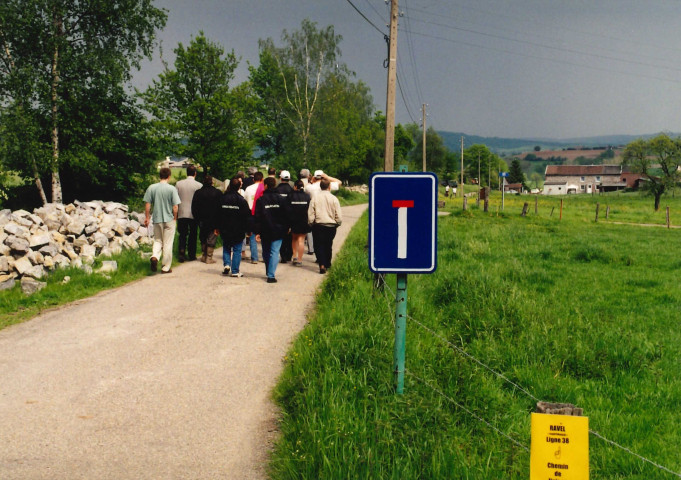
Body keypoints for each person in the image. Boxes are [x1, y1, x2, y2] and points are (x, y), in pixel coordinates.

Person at [143, 167, 181, 274]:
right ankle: (165, 267)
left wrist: (147, 217)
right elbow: (175, 207)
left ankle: (155, 256)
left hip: (157, 218)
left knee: (158, 240)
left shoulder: (152, 188)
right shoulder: (172, 189)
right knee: (168, 243)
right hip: (169, 219)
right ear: (169, 176)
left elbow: (147, 204)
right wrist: (175, 217)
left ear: (160, 176)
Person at [254, 177, 289, 283]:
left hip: (265, 229)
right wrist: (286, 228)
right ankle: (271, 275)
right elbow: (286, 215)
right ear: (275, 185)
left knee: (266, 251)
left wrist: (257, 231)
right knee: (275, 251)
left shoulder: (261, 200)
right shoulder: (281, 199)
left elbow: (257, 217)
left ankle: (268, 271)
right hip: (278, 229)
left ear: (265, 185)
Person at [308, 179, 342, 274]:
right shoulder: (334, 199)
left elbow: (311, 213)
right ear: (329, 187)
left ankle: (321, 264)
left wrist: (311, 223)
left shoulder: (315, 198)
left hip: (318, 225)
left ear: (320, 187)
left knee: (319, 245)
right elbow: (338, 214)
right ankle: (328, 263)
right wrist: (337, 223)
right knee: (328, 244)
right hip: (331, 225)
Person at [220, 177, 251, 277]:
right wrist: (248, 230)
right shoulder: (241, 201)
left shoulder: (222, 198)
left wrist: (217, 227)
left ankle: (227, 264)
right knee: (237, 250)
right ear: (239, 187)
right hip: (238, 229)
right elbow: (247, 216)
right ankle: (235, 271)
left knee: (226, 247)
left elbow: (217, 214)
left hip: (225, 228)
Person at [191, 175, 222, 264]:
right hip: (214, 219)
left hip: (202, 220)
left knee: (203, 237)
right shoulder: (218, 193)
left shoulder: (198, 193)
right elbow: (220, 207)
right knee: (212, 238)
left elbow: (194, 207)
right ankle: (209, 257)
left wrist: (196, 218)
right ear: (212, 182)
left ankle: (204, 255)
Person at [175, 165, 202, 262]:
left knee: (182, 233)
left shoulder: (178, 184)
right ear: (195, 173)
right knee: (193, 234)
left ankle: (181, 251)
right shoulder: (199, 185)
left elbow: (175, 198)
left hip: (181, 212)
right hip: (193, 213)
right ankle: (191, 254)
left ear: (186, 173)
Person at [288, 179, 311, 266]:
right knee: (301, 240)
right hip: (304, 220)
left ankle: (294, 257)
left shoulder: (290, 196)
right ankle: (300, 260)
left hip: (293, 220)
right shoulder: (307, 196)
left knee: (294, 238)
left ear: (295, 186)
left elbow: (288, 209)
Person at [243, 171, 264, 263]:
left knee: (252, 236)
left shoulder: (248, 188)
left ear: (253, 179)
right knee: (264, 236)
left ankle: (254, 258)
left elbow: (245, 201)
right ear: (262, 179)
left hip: (251, 214)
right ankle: (264, 256)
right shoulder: (264, 188)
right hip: (262, 214)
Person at [276, 170, 294, 263]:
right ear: (289, 178)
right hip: (289, 216)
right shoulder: (291, 190)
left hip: (279, 216)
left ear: (280, 178)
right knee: (289, 237)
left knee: (281, 236)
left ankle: (282, 255)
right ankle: (289, 255)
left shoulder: (277, 189)